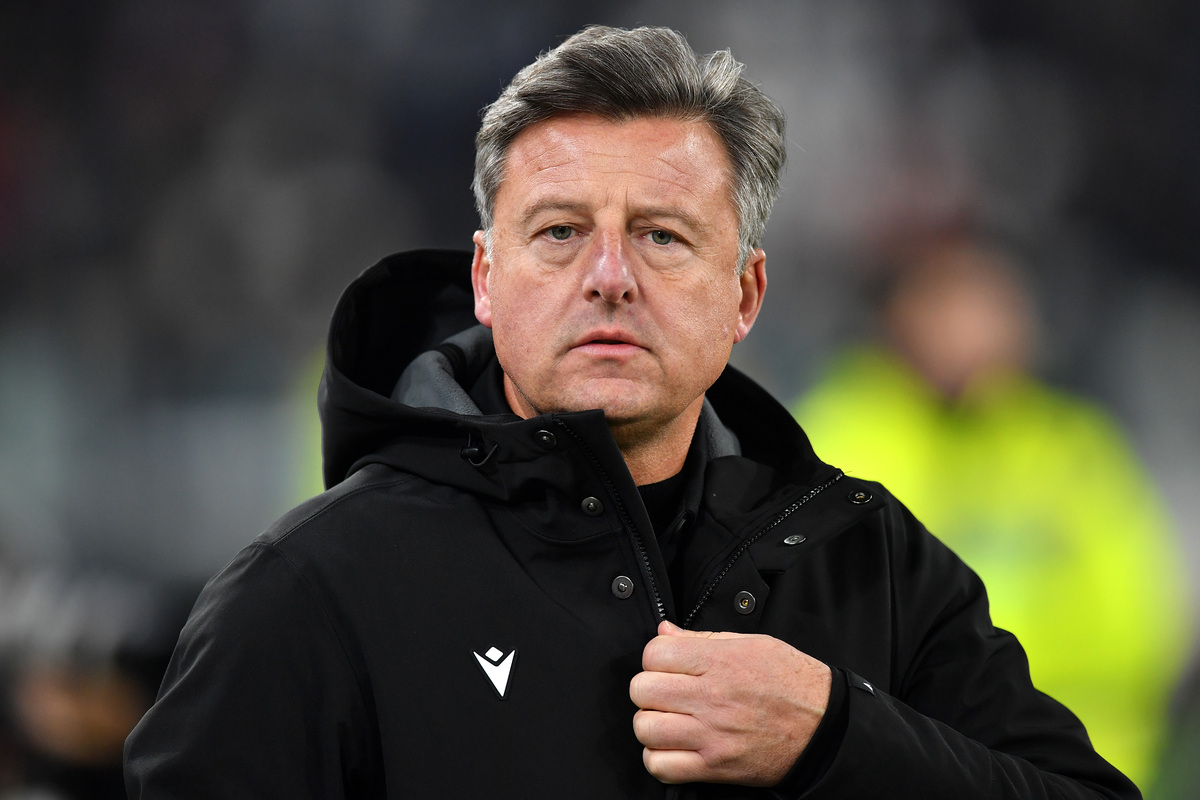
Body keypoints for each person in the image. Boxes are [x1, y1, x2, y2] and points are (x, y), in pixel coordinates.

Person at [124, 26, 1139, 799]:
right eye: (560, 232)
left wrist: (837, 736)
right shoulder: (307, 593)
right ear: (486, 278)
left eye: (661, 235)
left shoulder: (870, 561)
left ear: (745, 295)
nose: (609, 276)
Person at [792, 234, 1190, 791]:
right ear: (897, 316)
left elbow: (1138, 630)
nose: (973, 327)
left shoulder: (1075, 446)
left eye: (992, 304)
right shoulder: (835, 440)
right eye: (948, 303)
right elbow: (825, 635)